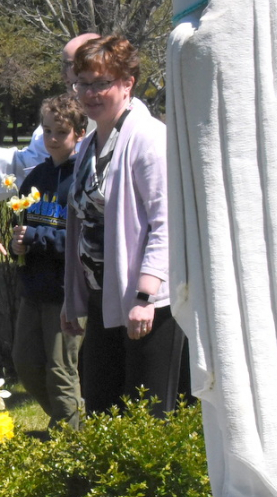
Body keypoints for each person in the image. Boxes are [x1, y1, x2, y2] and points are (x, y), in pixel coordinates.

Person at [60, 35, 184, 417]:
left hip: (147, 307)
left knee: (146, 415)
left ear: (128, 83)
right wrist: (72, 299)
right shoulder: (87, 146)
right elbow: (81, 223)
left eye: (102, 83)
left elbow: (166, 223)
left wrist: (145, 296)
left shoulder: (148, 140)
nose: (91, 93)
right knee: (101, 406)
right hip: (103, 299)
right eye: (83, 83)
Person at [9, 95, 86, 429]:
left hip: (66, 291)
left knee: (60, 367)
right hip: (34, 287)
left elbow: (83, 242)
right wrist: (18, 245)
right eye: (47, 130)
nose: (52, 138)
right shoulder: (35, 177)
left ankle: (73, 439)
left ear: (79, 134)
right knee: (25, 363)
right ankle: (65, 423)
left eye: (61, 132)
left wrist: (37, 238)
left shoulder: (83, 178)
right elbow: (22, 226)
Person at [0, 33, 100, 201]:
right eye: (63, 65)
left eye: (70, 65)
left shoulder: (103, 113)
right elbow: (31, 163)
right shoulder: (59, 111)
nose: (64, 73)